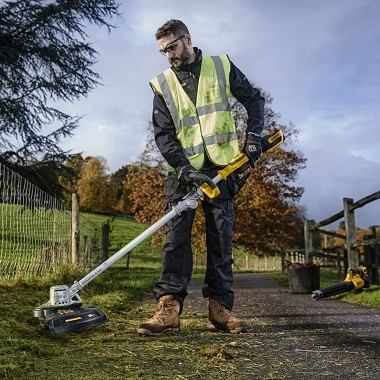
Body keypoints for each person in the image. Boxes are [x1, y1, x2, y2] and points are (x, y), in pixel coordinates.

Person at [137, 19, 264, 336]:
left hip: (223, 168)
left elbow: (254, 100)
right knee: (174, 241)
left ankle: (220, 308)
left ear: (187, 39)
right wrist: (184, 169)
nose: (169, 56)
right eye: (163, 51)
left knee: (221, 239)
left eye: (172, 47)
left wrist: (254, 137)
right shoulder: (162, 84)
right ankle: (168, 308)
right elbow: (164, 136)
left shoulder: (221, 66)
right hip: (184, 173)